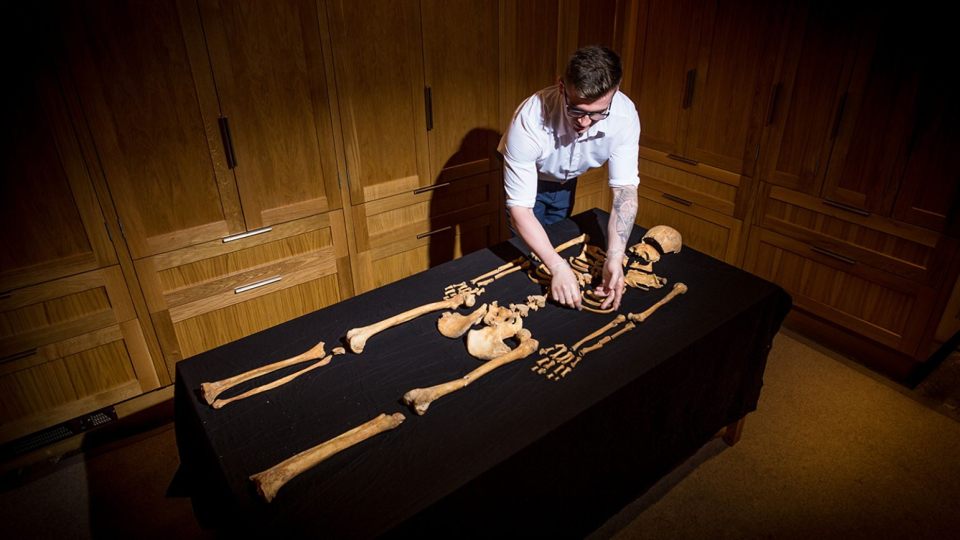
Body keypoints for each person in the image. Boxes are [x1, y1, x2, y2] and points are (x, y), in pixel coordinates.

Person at [499, 45, 640, 312]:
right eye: (577, 110)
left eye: (598, 112)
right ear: (562, 87)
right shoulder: (529, 120)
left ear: (616, 92)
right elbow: (520, 208)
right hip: (531, 176)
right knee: (532, 256)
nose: (586, 122)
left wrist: (614, 256)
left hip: (566, 178)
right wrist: (556, 265)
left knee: (559, 237)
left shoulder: (624, 116)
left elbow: (625, 192)